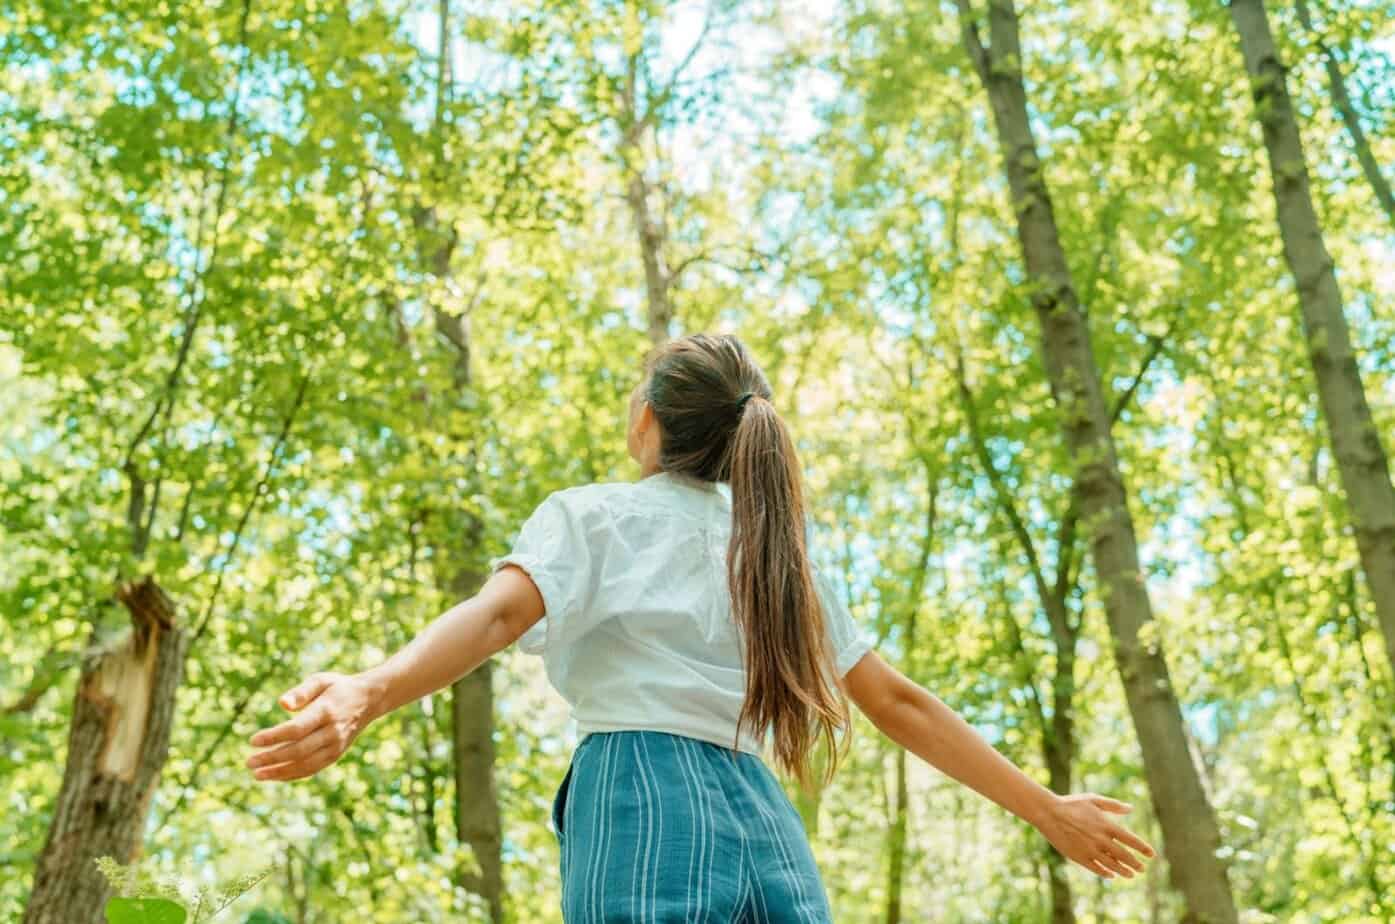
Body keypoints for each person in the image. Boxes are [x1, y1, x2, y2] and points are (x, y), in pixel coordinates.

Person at [246, 332, 1156, 920]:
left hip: (639, 788)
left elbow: (492, 620)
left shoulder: (596, 514)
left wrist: (370, 688)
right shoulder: (778, 555)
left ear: (647, 421)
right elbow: (899, 702)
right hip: (761, 813)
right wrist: (1047, 809)